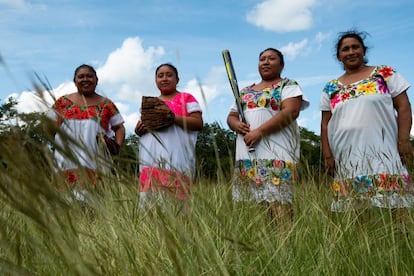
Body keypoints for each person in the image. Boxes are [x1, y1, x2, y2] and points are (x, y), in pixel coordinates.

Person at [320, 30, 414, 214]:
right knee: (357, 211)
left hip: (384, 150)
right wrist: (328, 156)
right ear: (339, 56)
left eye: (355, 47)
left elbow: (403, 106)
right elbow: (325, 124)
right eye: (345, 49)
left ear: (363, 50)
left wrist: (404, 141)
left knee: (397, 206)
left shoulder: (384, 73)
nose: (351, 52)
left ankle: (403, 241)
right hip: (346, 155)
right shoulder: (331, 87)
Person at [226, 48, 309, 227]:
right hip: (248, 157)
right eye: (262, 58)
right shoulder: (245, 91)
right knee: (256, 209)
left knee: (280, 206)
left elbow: (291, 111)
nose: (266, 62)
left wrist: (260, 132)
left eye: (272, 58)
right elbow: (231, 116)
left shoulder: (288, 85)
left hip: (277, 154)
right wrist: (236, 124)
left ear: (281, 65)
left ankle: (286, 248)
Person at [47, 64, 125, 198]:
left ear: (96, 80)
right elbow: (49, 126)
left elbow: (119, 127)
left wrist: (116, 146)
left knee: (94, 206)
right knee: (67, 206)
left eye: (89, 76)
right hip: (65, 162)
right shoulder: (62, 102)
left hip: (96, 163)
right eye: (81, 76)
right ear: (75, 81)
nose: (85, 79)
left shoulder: (106, 104)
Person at [135, 63, 203, 208]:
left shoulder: (186, 98)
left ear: (177, 79)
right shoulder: (150, 103)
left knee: (177, 206)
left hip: (177, 157)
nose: (164, 78)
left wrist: (173, 118)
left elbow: (198, 123)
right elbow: (144, 126)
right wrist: (139, 130)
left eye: (169, 75)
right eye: (160, 76)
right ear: (155, 80)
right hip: (151, 158)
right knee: (151, 206)